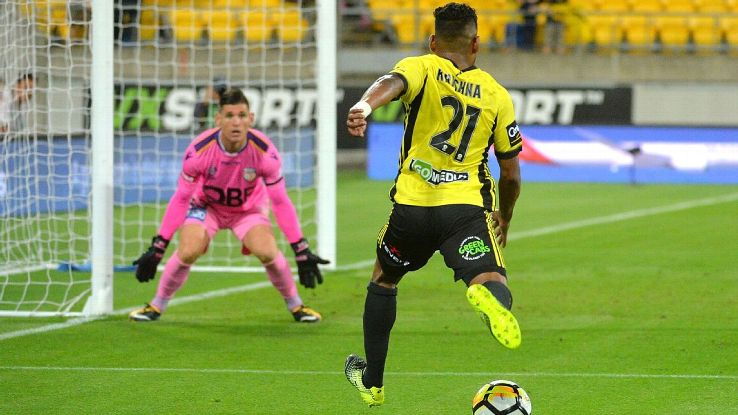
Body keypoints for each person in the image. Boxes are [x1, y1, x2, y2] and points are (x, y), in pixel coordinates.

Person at [343, 2, 523, 407]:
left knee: (383, 279)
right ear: (476, 43)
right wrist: (505, 218)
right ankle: (487, 298)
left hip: (411, 208)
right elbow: (510, 174)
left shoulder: (421, 65)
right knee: (490, 276)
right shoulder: (497, 94)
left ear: (432, 41)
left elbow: (393, 82)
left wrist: (364, 106)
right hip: (464, 210)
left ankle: (373, 381)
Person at [129, 88, 329, 323]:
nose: (236, 122)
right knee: (188, 250)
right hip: (207, 207)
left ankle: (296, 306)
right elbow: (182, 198)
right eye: (230, 115)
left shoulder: (265, 153)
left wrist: (300, 248)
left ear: (251, 119)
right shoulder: (199, 151)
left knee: (267, 251)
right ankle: (156, 305)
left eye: (242, 115)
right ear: (218, 119)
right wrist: (159, 245)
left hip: (248, 210)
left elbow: (280, 200)